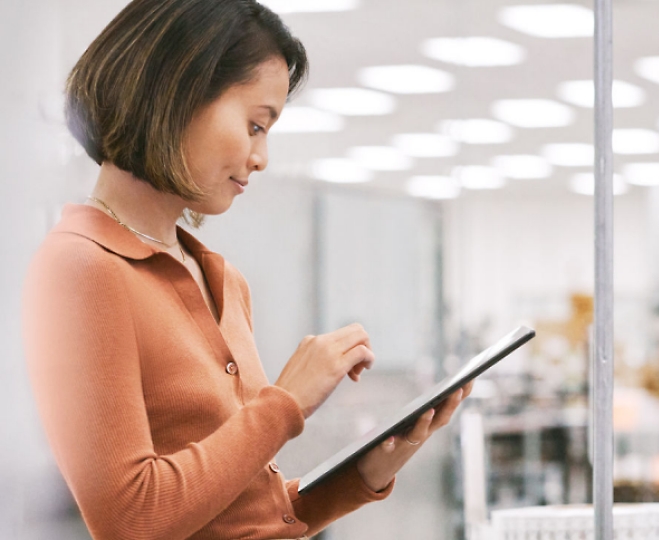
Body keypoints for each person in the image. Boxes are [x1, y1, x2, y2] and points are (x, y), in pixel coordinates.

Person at [22, 1, 471, 539]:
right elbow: (131, 519)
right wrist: (284, 404)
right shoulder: (79, 268)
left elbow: (239, 517)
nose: (262, 158)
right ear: (177, 93)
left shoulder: (221, 280)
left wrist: (365, 473)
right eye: (256, 125)